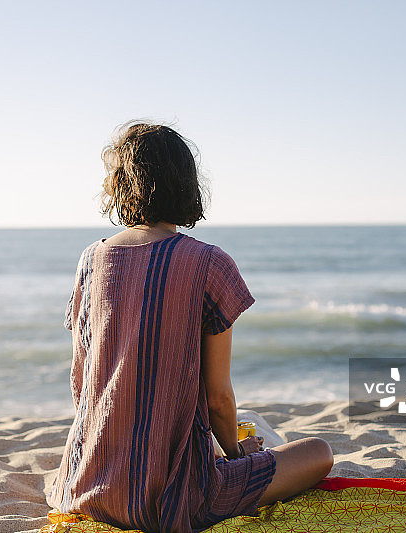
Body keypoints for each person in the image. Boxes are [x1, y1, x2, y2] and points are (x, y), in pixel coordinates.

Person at [47, 122, 333, 533]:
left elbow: (81, 381)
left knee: (242, 423)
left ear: (120, 186)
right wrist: (235, 453)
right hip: (175, 497)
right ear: (186, 184)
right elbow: (217, 398)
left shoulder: (91, 259)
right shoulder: (208, 263)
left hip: (88, 484)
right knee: (318, 451)